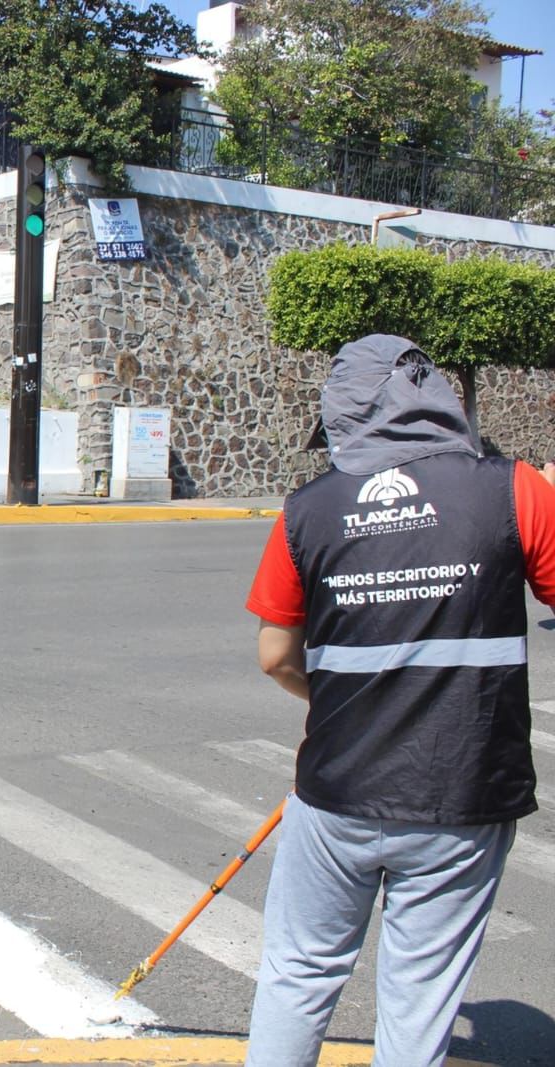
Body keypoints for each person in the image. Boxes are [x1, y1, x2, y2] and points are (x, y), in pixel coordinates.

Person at [243, 334, 555, 1067]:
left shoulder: (307, 510)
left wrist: (342, 701)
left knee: (299, 972)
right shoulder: (515, 490)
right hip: (462, 795)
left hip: (337, 789)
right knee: (419, 997)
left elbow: (275, 655)